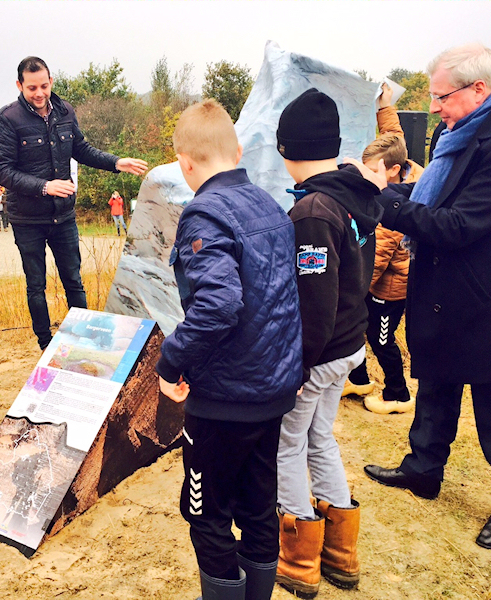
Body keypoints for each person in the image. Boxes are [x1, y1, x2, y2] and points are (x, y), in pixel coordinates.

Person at [359, 43, 491, 551]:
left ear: (478, 88)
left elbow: (459, 223)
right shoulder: (460, 130)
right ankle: (423, 469)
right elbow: (433, 194)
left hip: (489, 297)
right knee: (436, 388)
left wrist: (384, 204)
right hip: (444, 291)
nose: (433, 108)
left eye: (440, 97)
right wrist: (378, 192)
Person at [156, 99, 303, 600]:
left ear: (185, 162)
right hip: (271, 391)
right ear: (236, 151)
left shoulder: (204, 214)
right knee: (259, 506)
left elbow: (219, 305)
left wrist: (171, 358)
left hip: (224, 399)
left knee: (207, 513)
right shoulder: (270, 204)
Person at [274, 88, 383, 598]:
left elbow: (314, 303)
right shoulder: (353, 195)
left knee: (287, 446)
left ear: (285, 149)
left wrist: (296, 370)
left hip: (319, 355)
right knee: (321, 439)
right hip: (347, 347)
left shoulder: (313, 213)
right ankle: (342, 553)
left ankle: (299, 560)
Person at [0, 56, 148, 350]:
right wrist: (44, 187)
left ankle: (85, 337)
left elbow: (81, 149)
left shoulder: (65, 111)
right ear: (20, 86)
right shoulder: (8, 119)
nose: (39, 93)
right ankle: (45, 342)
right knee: (36, 285)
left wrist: (117, 162)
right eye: (32, 88)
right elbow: (2, 169)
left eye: (44, 86)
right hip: (28, 219)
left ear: (51, 82)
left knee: (73, 280)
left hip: (63, 216)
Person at [343, 84, 425, 414]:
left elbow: (374, 260)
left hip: (389, 290)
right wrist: (385, 107)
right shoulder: (404, 166)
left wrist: (348, 288)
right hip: (379, 283)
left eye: (372, 171)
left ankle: (398, 394)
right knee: (360, 327)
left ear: (391, 171)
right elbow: (393, 135)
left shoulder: (394, 211)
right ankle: (360, 379)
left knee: (381, 339)